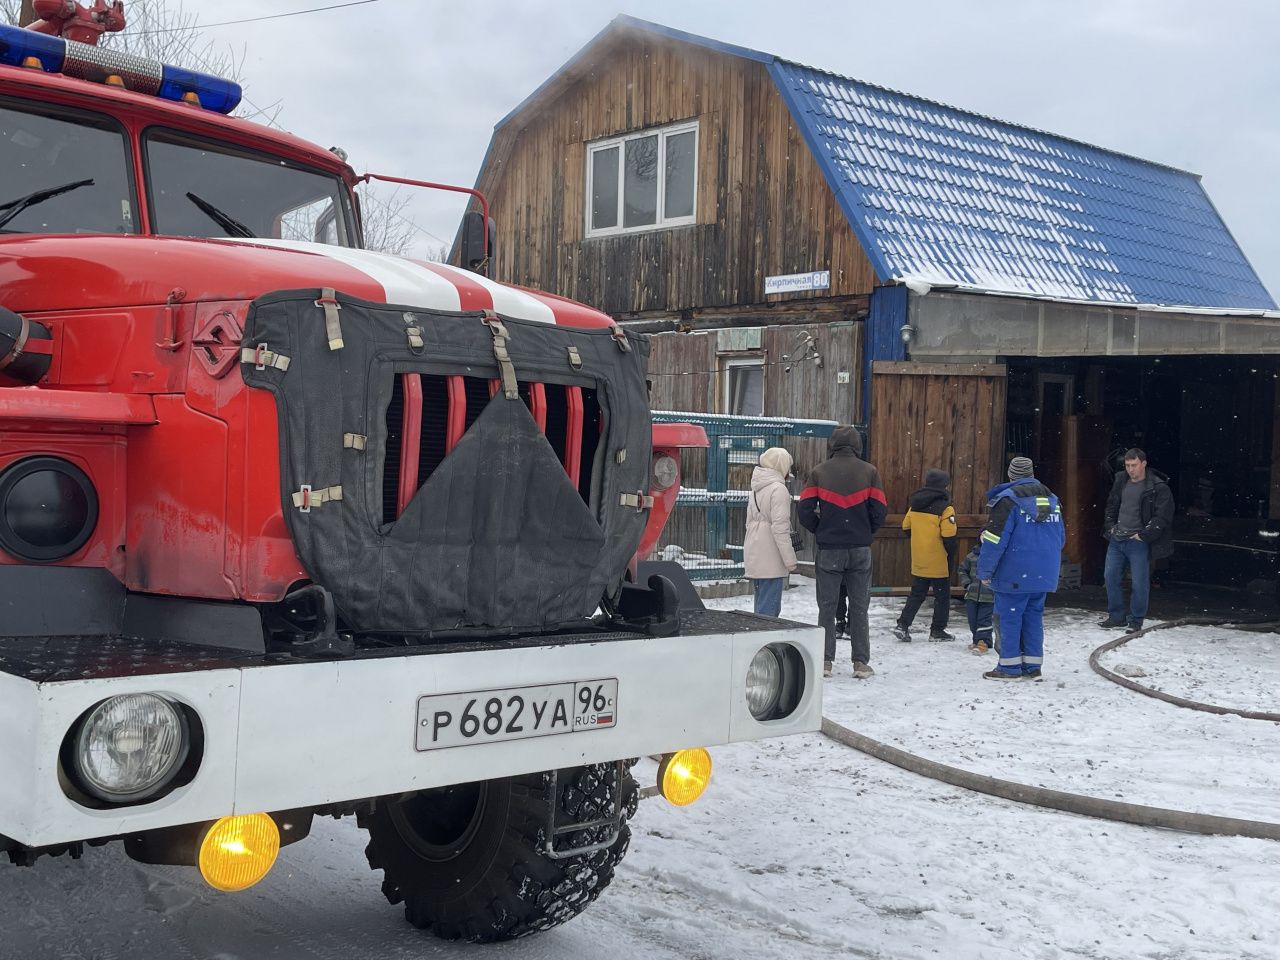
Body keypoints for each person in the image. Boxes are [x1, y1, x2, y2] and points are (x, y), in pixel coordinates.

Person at [798, 425, 887, 680]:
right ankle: (860, 662)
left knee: (827, 606)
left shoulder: (819, 472)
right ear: (857, 446)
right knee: (860, 607)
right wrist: (864, 530)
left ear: (832, 445)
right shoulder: (870, 472)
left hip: (829, 549)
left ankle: (825, 661)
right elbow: (880, 511)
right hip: (859, 548)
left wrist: (822, 529)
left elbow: (804, 510)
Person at [977, 456, 1065, 682]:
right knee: (1033, 618)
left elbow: (995, 541)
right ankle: (1032, 666)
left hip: (1014, 572)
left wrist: (985, 571)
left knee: (1009, 618)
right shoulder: (1052, 501)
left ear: (1011, 475)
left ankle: (1009, 668)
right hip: (1043, 573)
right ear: (1032, 474)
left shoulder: (1007, 501)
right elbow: (1061, 538)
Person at [1098, 448, 1174, 633]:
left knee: (1139, 583)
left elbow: (1162, 516)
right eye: (1127, 465)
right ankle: (1116, 617)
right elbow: (1111, 505)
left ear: (1144, 464)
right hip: (1117, 538)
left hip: (1138, 541)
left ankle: (1136, 620)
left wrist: (1144, 535)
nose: (1130, 469)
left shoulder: (1158, 486)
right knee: (1110, 577)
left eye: (1134, 465)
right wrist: (1110, 526)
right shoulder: (1121, 480)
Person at [892, 468, 958, 642]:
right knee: (942, 597)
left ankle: (903, 625)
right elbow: (949, 535)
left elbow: (906, 526)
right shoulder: (946, 508)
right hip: (939, 560)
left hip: (919, 558)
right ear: (945, 486)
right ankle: (937, 630)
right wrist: (951, 554)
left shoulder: (915, 505)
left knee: (917, 594)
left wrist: (919, 540)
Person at [744, 447, 798, 617]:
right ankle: (765, 635)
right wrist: (790, 560)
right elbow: (780, 528)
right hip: (771, 556)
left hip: (755, 550)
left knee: (761, 606)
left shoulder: (756, 487)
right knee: (769, 612)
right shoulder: (779, 490)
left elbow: (748, 523)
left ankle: (757, 632)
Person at [958, 541, 996, 653]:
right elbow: (962, 570)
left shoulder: (996, 556)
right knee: (972, 620)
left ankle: (983, 642)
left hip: (989, 596)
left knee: (984, 620)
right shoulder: (971, 556)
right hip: (972, 595)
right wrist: (967, 584)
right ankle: (977, 640)